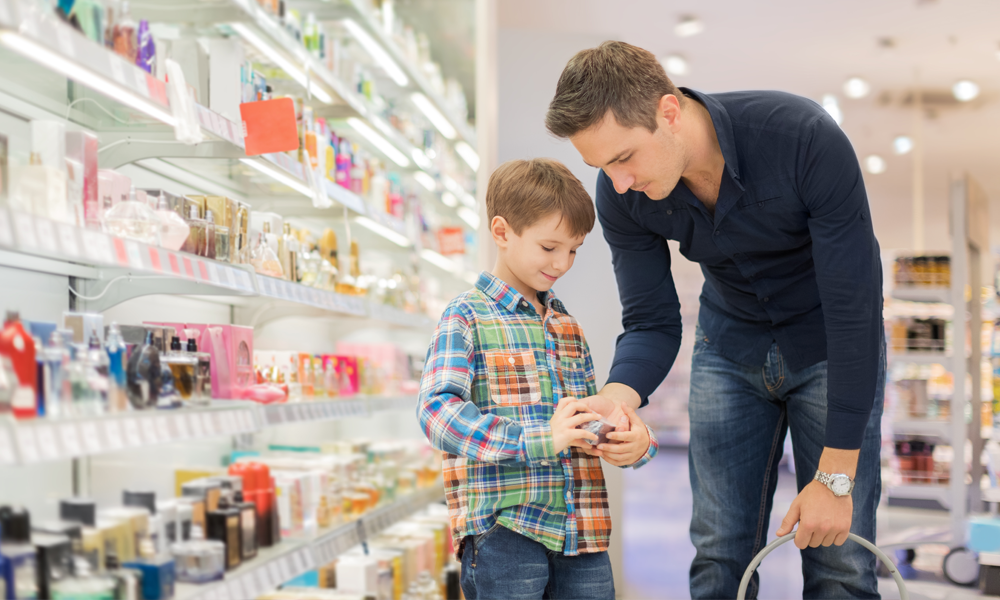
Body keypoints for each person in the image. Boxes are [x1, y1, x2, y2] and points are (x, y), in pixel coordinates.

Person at [545, 41, 885, 599]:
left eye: (624, 157)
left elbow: (855, 310)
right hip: (728, 348)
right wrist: (619, 395)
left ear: (668, 112)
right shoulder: (621, 192)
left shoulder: (801, 138)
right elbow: (652, 319)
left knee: (839, 561)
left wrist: (835, 476)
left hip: (831, 345)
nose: (618, 181)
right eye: (603, 166)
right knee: (719, 552)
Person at [417, 158, 659, 600]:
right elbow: (438, 412)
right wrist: (536, 439)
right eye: (550, 247)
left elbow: (585, 418)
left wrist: (634, 441)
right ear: (503, 232)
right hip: (506, 531)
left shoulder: (567, 326)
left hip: (582, 531)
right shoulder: (465, 316)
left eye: (573, 250)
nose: (563, 263)